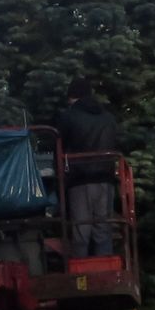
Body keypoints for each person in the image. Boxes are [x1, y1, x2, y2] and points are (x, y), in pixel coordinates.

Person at [53, 77, 120, 257]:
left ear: (72, 96)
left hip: (80, 180)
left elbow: (59, 147)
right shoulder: (108, 117)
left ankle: (79, 275)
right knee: (103, 230)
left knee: (81, 231)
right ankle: (106, 272)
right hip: (106, 180)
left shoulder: (69, 116)